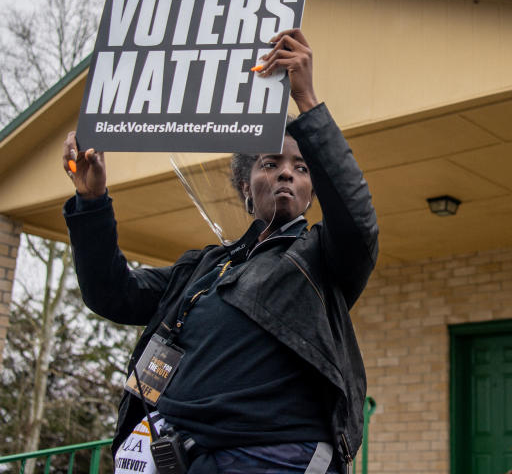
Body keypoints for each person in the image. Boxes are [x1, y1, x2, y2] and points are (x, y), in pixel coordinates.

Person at [62, 29, 378, 473]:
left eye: (302, 168)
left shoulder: (321, 258)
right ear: (246, 187)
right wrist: (92, 203)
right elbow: (110, 292)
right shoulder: (202, 268)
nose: (287, 173)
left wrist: (307, 100)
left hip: (274, 456)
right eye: (271, 163)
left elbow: (358, 222)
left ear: (312, 190)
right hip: (180, 456)